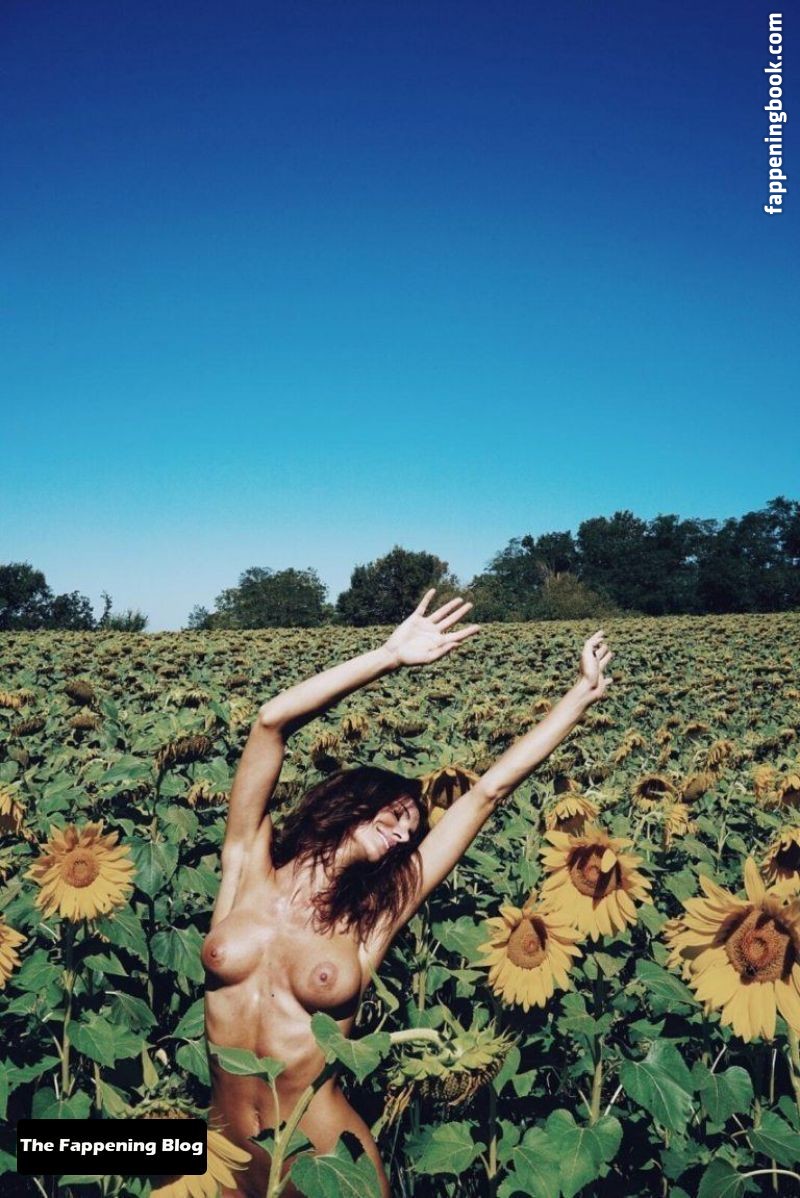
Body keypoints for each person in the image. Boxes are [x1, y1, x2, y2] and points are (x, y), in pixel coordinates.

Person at [203, 590, 612, 1197]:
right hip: (219, 1148)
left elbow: (487, 793)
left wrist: (579, 697)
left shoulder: (373, 915)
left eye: (411, 830)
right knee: (80, 1148)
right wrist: (389, 656)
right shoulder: (247, 862)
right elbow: (270, 722)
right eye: (396, 815)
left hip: (325, 1157)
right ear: (354, 801)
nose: (402, 834)